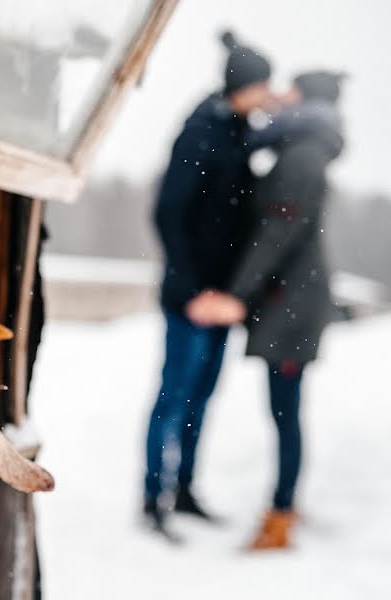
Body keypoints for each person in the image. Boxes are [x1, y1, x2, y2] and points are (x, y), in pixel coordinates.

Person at [187, 71, 346, 550]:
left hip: (291, 305)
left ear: (305, 99)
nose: (278, 98)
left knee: (285, 410)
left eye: (289, 91)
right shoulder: (302, 147)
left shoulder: (302, 154)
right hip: (287, 299)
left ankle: (280, 516)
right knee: (284, 409)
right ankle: (284, 504)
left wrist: (237, 293)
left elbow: (278, 233)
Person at [144, 31, 273, 539]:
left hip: (222, 299)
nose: (268, 95)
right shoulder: (200, 133)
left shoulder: (241, 131)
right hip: (191, 297)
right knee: (173, 395)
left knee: (201, 398)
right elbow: (168, 213)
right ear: (245, 85)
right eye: (263, 85)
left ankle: (185, 489)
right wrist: (193, 288)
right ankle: (153, 496)